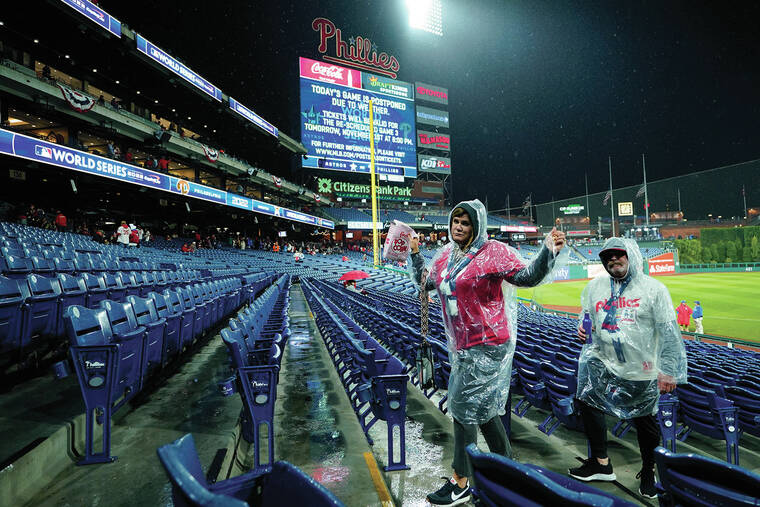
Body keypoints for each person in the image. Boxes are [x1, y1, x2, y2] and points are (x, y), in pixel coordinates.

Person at [410, 199, 566, 506]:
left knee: (462, 408)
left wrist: (548, 250)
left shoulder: (493, 251)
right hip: (463, 346)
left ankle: (461, 480)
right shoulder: (446, 255)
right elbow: (425, 283)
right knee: (482, 411)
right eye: (455, 221)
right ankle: (507, 470)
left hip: (488, 344)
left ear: (477, 226)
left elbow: (526, 277)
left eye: (466, 222)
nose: (458, 226)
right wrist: (415, 255)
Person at [570, 237, 687, 499]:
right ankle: (601, 463)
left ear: (631, 256)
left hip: (640, 369)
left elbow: (669, 334)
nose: (613, 259)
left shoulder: (653, 289)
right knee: (587, 402)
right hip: (602, 363)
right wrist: (581, 326)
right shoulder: (595, 287)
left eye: (618, 254)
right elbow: (586, 314)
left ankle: (648, 470)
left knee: (644, 422)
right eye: (608, 256)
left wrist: (668, 370)